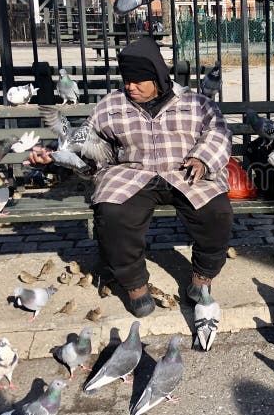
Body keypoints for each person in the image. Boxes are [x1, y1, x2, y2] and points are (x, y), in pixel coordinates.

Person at [27, 36, 233, 318]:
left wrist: (203, 158)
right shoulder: (110, 107)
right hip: (132, 174)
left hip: (184, 170)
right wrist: (53, 158)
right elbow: (87, 146)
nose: (129, 86)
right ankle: (135, 285)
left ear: (158, 78)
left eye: (138, 81)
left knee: (217, 212)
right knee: (112, 215)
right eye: (126, 79)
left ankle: (202, 279)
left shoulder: (195, 103)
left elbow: (219, 132)